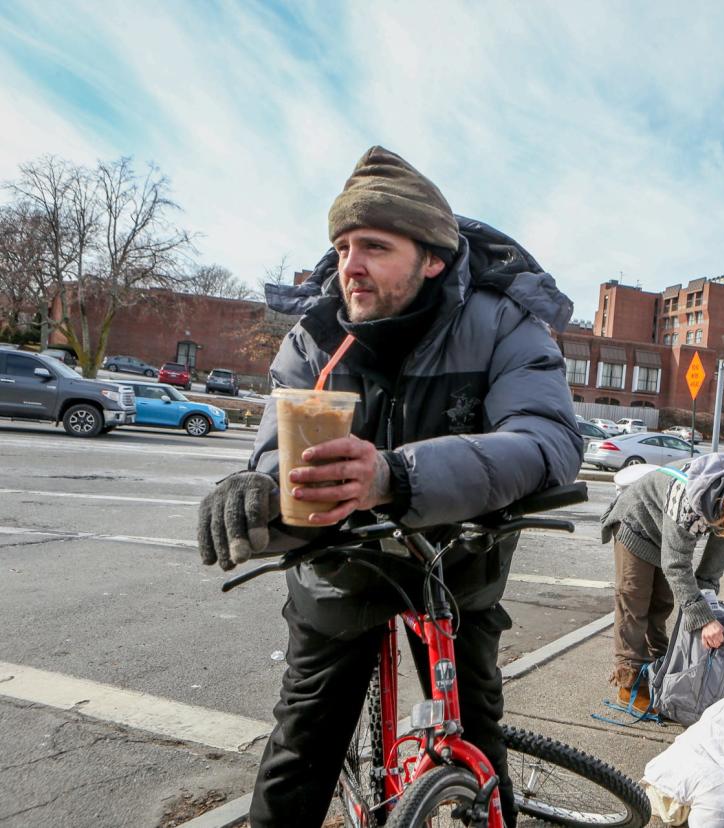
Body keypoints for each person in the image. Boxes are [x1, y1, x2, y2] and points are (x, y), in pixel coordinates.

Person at [196, 146, 582, 828]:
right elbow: (272, 454)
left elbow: (547, 442)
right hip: (341, 561)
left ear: (433, 257)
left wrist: (394, 475)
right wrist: (254, 488)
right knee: (301, 747)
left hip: (456, 560)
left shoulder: (502, 324)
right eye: (343, 245)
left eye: (375, 245)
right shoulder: (316, 338)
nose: (351, 264)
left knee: (475, 734)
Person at [601, 453, 724, 710]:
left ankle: (658, 670)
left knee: (662, 603)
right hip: (635, 523)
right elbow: (676, 564)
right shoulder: (689, 499)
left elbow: (708, 575)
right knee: (635, 604)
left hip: (663, 535)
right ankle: (630, 684)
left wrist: (709, 610)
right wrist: (703, 620)